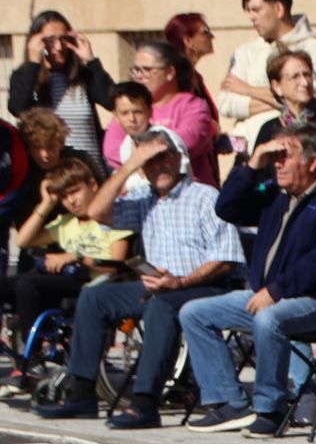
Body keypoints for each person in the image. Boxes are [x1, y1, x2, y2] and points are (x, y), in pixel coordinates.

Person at [33, 130, 246, 427]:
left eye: (162, 158)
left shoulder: (204, 196)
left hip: (202, 286)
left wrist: (180, 282)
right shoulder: (142, 198)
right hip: (156, 284)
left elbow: (225, 260)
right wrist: (130, 165)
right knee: (94, 297)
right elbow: (96, 211)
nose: (157, 167)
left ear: (176, 158)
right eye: (150, 162)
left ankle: (145, 404)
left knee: (162, 305)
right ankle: (82, 395)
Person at [179, 125, 316, 437]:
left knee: (269, 319)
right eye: (275, 157)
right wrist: (253, 163)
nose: (278, 163)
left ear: (312, 162)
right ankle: (229, 402)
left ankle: (271, 407)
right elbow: (226, 208)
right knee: (194, 313)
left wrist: (276, 290)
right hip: (267, 296)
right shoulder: (274, 192)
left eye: (285, 156)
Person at [0, 159, 132, 394]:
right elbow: (23, 240)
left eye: (75, 192)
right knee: (11, 283)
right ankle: (17, 353)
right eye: (64, 196)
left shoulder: (113, 218)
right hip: (64, 282)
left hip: (95, 283)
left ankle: (33, 362)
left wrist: (74, 256)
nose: (71, 201)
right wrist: (47, 203)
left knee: (29, 284)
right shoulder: (66, 223)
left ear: (93, 185)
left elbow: (116, 264)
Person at [219, 0, 316, 152]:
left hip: (294, 152)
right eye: (248, 11)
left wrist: (247, 89)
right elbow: (226, 104)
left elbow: (306, 97)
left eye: (256, 10)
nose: (251, 17)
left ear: (279, 9)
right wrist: (282, 98)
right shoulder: (245, 52)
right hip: (247, 152)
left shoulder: (313, 49)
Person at [10, 11, 115, 177]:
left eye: (63, 39)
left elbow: (111, 101)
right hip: (50, 176)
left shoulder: (83, 75)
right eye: (50, 40)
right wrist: (33, 64)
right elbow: (18, 108)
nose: (58, 47)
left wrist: (91, 61)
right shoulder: (26, 76)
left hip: (90, 172)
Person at [103, 42, 218, 188]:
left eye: (146, 70)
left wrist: (137, 154)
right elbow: (111, 150)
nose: (139, 76)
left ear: (170, 72)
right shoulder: (131, 106)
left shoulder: (193, 106)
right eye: (136, 70)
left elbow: (183, 143)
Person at [255, 50, 316, 181]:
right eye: (295, 77)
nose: (305, 82)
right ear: (277, 86)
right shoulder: (269, 130)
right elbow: (258, 181)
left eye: (307, 75)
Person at [12, 108, 99, 234]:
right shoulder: (23, 171)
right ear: (28, 148)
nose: (45, 154)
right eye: (37, 148)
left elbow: (102, 195)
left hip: (85, 233)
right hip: (40, 240)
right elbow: (22, 230)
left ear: (61, 143)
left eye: (50, 146)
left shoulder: (80, 161)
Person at [163, 12, 223, 124]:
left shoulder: (195, 77)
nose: (212, 36)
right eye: (205, 31)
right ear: (187, 41)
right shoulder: (174, 77)